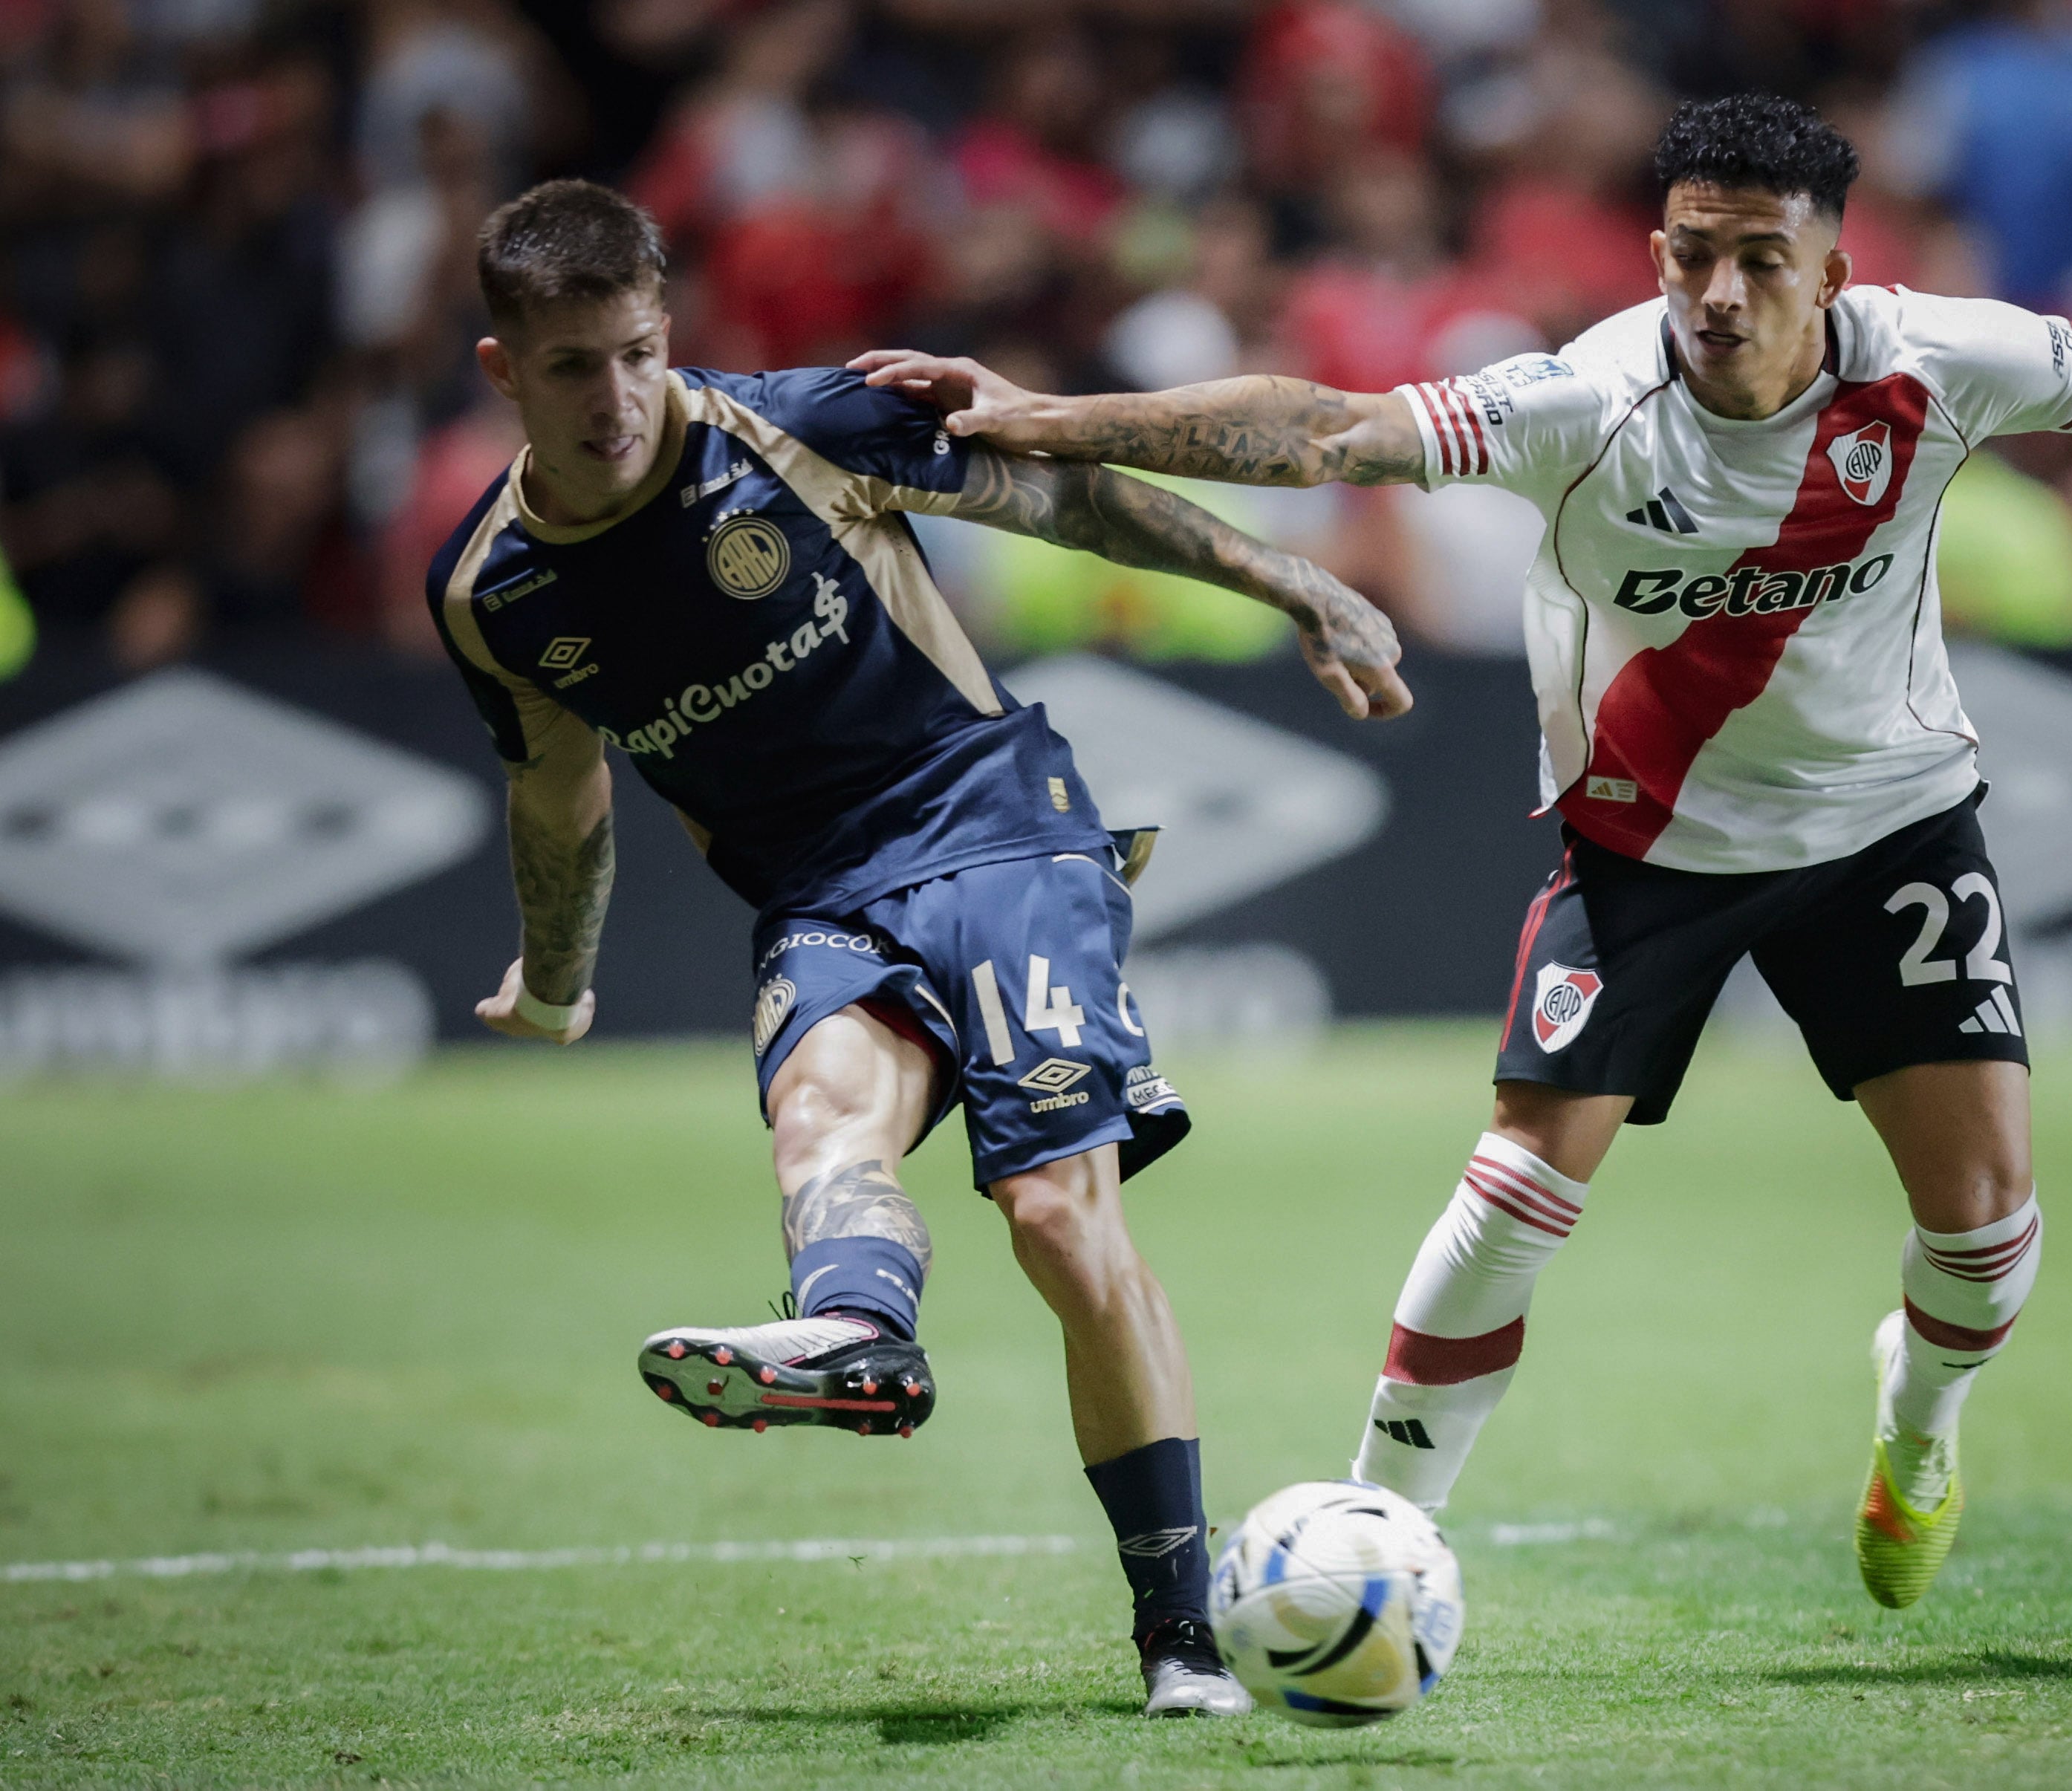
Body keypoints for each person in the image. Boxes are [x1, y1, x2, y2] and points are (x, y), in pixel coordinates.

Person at [850, 94, 2072, 1612]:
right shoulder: (1581, 399)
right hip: (1645, 846)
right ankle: (1384, 1522)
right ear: (1657, 255)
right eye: (1689, 251)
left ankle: (1918, 1427)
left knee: (1989, 1238)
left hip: (1887, 830)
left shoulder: (1952, 364)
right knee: (1517, 1192)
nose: (1716, 290)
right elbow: (1323, 427)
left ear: (1831, 267)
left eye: (1758, 257)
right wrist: (1044, 412)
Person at [426, 180, 1410, 1712]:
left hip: (994, 823)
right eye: (571, 368)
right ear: (505, 369)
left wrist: (1291, 580)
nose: (614, 397)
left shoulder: (802, 426)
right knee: (821, 1123)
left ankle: (1179, 1641)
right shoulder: (497, 592)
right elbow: (558, 786)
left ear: (666, 326)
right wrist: (555, 976)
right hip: (817, 897)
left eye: (634, 352)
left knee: (1051, 1217)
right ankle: (857, 1340)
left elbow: (1068, 497)